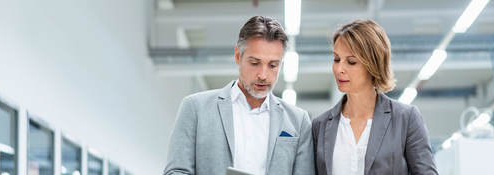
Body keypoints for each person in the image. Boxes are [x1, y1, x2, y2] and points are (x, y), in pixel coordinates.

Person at [163, 16, 314, 175]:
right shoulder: (195, 108)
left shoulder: (298, 121)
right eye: (255, 63)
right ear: (238, 56)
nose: (263, 75)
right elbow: (176, 172)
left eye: (273, 65)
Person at [312, 19, 438, 175]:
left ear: (373, 65)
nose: (339, 69)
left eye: (351, 62)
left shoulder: (406, 118)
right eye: (336, 59)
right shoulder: (320, 126)